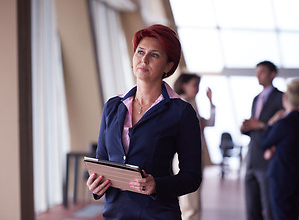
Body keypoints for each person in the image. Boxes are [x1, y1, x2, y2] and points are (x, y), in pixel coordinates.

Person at [86, 24, 202, 220]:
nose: (144, 59)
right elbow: (102, 162)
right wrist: (95, 185)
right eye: (140, 52)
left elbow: (192, 177)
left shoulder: (181, 112)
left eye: (154, 55)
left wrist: (157, 185)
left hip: (157, 214)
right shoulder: (113, 106)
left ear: (168, 66)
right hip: (116, 214)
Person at [240, 60, 283, 220]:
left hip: (268, 159)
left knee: (269, 206)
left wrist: (262, 125)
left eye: (262, 72)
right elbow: (257, 127)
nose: (258, 75)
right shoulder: (256, 98)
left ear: (273, 74)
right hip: (252, 157)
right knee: (251, 208)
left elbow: (283, 127)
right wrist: (247, 127)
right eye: (256, 71)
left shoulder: (281, 97)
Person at [261, 79, 299, 220]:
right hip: (296, 176)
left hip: (281, 177)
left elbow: (264, 142)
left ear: (285, 98)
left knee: (281, 215)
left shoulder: (282, 123)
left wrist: (271, 123)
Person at [173, 73, 215, 220]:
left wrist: (211, 102)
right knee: (190, 201)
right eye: (194, 84)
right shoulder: (181, 106)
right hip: (185, 157)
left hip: (195, 155)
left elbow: (208, 124)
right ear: (184, 85)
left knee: (192, 198)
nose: (197, 89)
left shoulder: (191, 105)